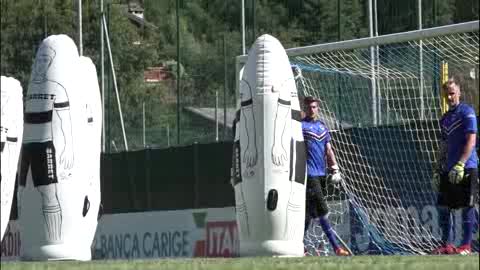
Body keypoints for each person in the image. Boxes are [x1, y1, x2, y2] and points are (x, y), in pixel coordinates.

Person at [432, 76, 478, 255]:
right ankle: (447, 245)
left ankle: (466, 245)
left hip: (466, 166)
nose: (449, 98)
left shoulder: (467, 112)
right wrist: (437, 168)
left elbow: (471, 140)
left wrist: (461, 163)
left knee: (468, 206)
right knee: (443, 206)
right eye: (446, 95)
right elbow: (443, 145)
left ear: (459, 92)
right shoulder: (444, 119)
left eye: (452, 93)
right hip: (448, 168)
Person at [302, 96, 350, 256]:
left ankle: (300, 246)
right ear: (304, 109)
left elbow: (328, 150)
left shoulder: (323, 127)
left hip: (322, 173)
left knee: (309, 212)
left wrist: (335, 168)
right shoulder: (300, 126)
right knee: (322, 209)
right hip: (309, 174)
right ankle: (337, 248)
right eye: (309, 107)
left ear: (318, 108)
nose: (312, 110)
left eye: (314, 107)